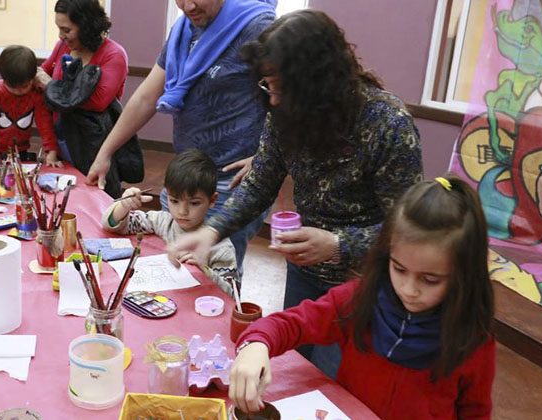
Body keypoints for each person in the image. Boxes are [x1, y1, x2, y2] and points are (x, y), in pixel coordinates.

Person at [168, 9, 423, 378]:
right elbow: (259, 184)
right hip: (305, 270)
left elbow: (408, 232)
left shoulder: (389, 125)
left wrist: (338, 244)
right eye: (267, 86)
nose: (272, 100)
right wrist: (210, 231)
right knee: (298, 371)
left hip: (363, 286)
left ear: (319, 82)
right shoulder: (284, 112)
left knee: (339, 382)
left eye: (282, 88)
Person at [229, 177, 496, 419]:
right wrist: (256, 344)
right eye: (399, 269)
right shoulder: (359, 299)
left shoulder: (473, 341)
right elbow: (292, 323)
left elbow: (475, 413)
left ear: (463, 274)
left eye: (430, 280)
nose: (409, 289)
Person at [85, 0, 276, 269]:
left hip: (232, 185)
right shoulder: (185, 29)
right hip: (186, 178)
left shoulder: (257, 25)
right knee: (178, 267)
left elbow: (295, 100)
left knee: (217, 275)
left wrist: (265, 158)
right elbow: (147, 97)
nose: (188, 6)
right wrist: (105, 152)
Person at [102, 149, 237, 294]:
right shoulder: (163, 221)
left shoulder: (221, 248)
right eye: (174, 201)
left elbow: (233, 296)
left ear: (212, 200)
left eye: (194, 203)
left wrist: (206, 271)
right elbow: (112, 225)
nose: (182, 211)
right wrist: (124, 205)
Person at [36, 0, 128, 197]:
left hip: (93, 147)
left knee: (95, 200)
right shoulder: (63, 46)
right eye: (59, 29)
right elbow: (42, 72)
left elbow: (96, 102)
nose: (61, 36)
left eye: (66, 30)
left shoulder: (114, 55)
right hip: (62, 141)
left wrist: (51, 86)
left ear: (86, 26)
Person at [0, 45, 61, 166]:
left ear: (33, 78)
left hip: (20, 152)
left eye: (24, 86)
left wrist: (52, 151)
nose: (19, 92)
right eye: (13, 87)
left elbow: (45, 124)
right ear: (4, 79)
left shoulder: (36, 94)